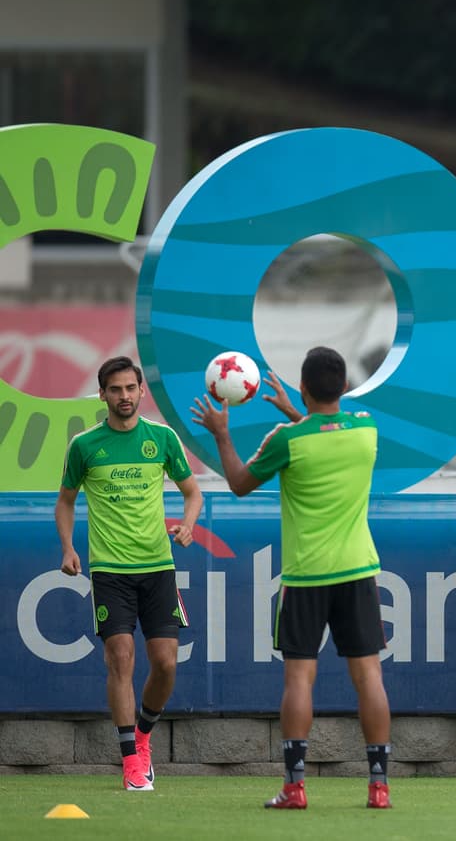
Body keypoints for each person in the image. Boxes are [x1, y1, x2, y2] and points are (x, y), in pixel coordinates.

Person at [191, 347, 392, 810]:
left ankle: (295, 787)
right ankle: (379, 788)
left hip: (305, 577)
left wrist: (222, 434)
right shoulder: (366, 427)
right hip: (359, 570)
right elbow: (325, 428)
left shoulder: (287, 439)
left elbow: (240, 483)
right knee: (369, 678)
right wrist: (294, 410)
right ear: (343, 387)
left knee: (299, 681)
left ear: (303, 387)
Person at [56, 355, 204, 792]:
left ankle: (143, 737)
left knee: (166, 664)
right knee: (120, 658)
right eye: (115, 389)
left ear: (142, 391)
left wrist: (189, 524)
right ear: (102, 394)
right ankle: (129, 762)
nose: (124, 396)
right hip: (109, 571)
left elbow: (192, 493)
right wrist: (67, 547)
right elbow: (65, 501)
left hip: (158, 568)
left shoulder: (162, 438)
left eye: (130, 388)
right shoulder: (84, 445)